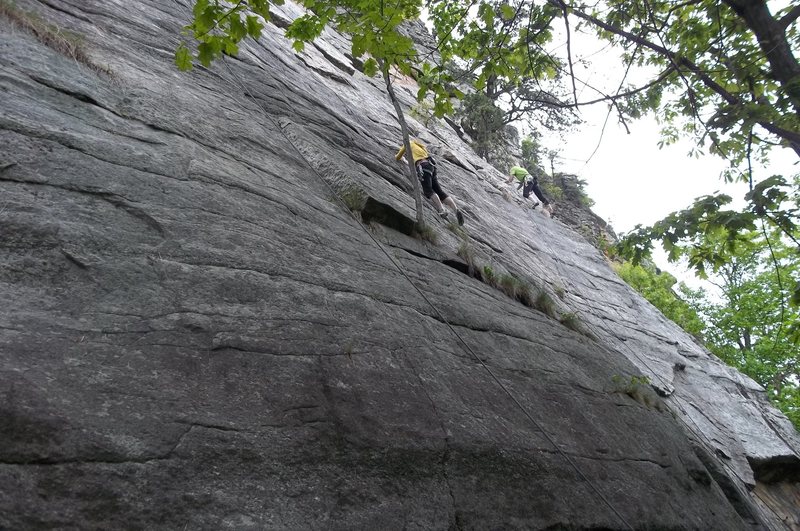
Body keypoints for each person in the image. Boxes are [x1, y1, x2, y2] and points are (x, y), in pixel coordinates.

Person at [396, 139, 464, 225]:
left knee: (428, 190)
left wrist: (402, 158)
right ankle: (456, 209)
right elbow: (416, 161)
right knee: (439, 191)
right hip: (431, 166)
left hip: (423, 166)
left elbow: (398, 157)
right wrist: (407, 161)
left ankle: (441, 209)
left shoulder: (406, 144)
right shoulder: (420, 146)